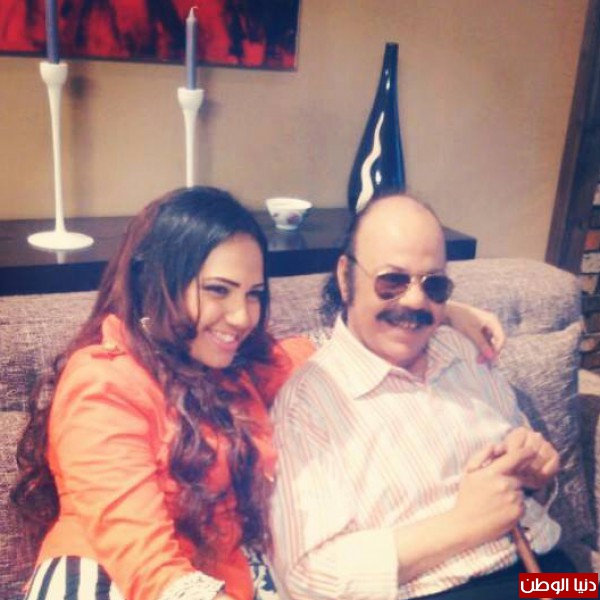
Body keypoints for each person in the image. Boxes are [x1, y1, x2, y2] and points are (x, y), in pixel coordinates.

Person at [12, 186, 505, 600]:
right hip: (110, 579)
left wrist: (432, 309)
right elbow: (145, 561)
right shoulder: (102, 382)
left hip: (222, 578)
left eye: (253, 294)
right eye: (218, 290)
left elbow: (328, 351)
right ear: (157, 282)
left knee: (557, 591)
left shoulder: (236, 364)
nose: (242, 317)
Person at [270, 194, 575, 600]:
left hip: (547, 572)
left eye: (434, 284)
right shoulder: (309, 403)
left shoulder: (467, 351)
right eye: (391, 281)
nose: (415, 300)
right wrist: (463, 524)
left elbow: (524, 473)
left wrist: (536, 473)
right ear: (346, 277)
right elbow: (307, 578)